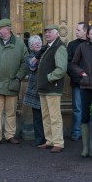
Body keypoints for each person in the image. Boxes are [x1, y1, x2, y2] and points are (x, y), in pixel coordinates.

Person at [0, 18, 29, 147]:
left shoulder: (20, 45)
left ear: (8, 29)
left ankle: (10, 135)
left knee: (11, 112)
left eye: (0, 29)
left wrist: (18, 78)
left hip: (11, 84)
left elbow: (25, 63)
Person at [36, 24, 67, 153]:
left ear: (57, 33)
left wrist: (49, 78)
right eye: (46, 32)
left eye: (50, 32)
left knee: (54, 117)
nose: (47, 34)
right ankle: (49, 141)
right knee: (46, 116)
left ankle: (58, 143)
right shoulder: (48, 47)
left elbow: (61, 69)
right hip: (44, 88)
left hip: (52, 88)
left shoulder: (59, 47)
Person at [71, 25, 92, 157]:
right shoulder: (82, 47)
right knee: (84, 116)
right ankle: (85, 148)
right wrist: (82, 73)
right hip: (86, 86)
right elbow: (73, 63)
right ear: (88, 35)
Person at [22, 34, 46, 146]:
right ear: (31, 46)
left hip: (46, 86)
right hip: (34, 89)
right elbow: (32, 66)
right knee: (37, 116)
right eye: (35, 43)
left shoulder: (46, 54)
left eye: (39, 42)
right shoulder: (29, 57)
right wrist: (38, 55)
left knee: (47, 115)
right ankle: (39, 139)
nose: (38, 44)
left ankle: (48, 138)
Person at [67, 22, 88, 141]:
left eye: (78, 30)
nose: (76, 32)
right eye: (76, 30)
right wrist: (76, 77)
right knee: (77, 108)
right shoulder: (72, 45)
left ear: (85, 31)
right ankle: (76, 132)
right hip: (77, 82)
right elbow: (68, 63)